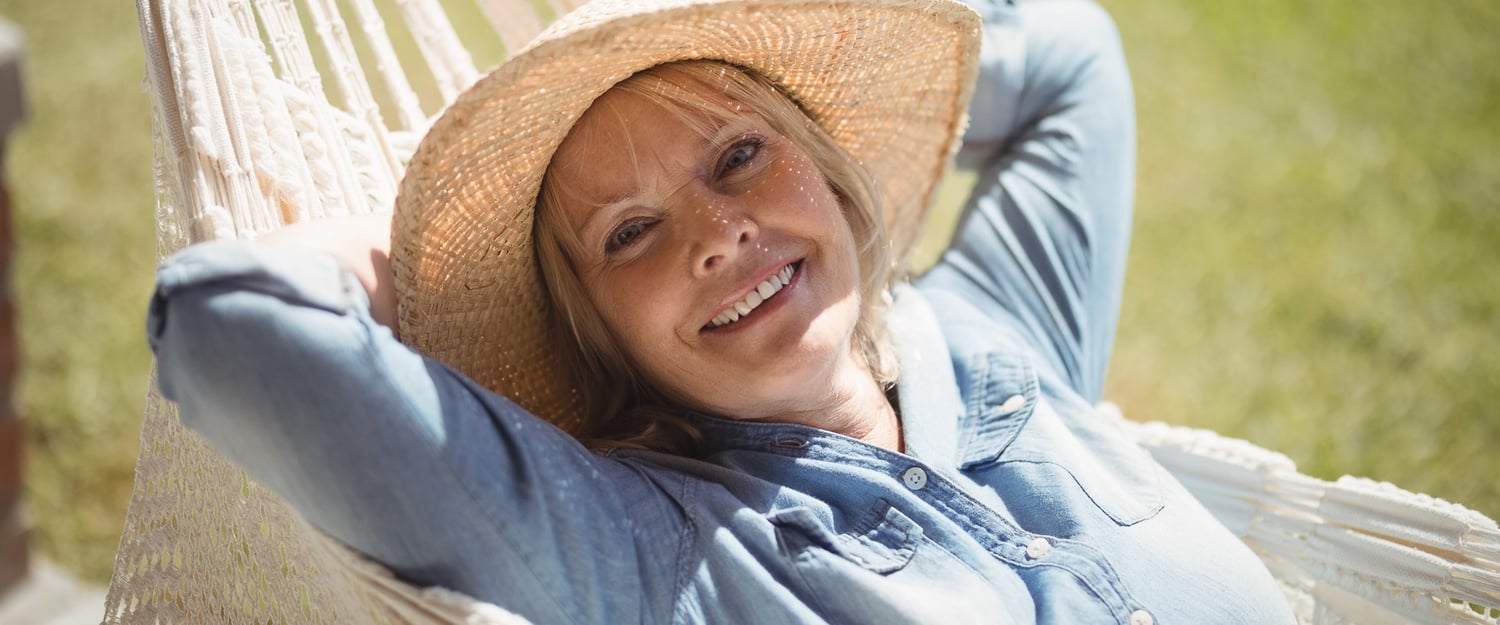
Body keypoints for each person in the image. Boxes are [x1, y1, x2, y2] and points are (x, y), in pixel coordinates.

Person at [147, 0, 1297, 622]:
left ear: (827, 165)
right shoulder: (641, 552)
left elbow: (1072, 58)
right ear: (594, 331)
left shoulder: (998, 333)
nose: (719, 233)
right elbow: (225, 327)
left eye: (742, 155)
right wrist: (400, 265)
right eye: (630, 234)